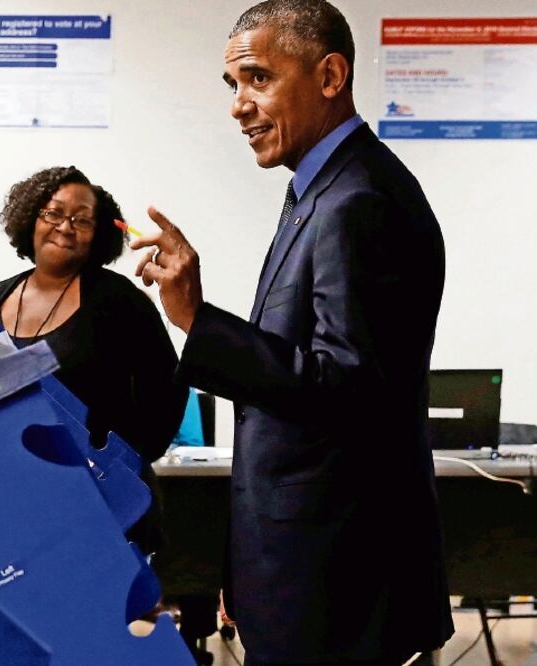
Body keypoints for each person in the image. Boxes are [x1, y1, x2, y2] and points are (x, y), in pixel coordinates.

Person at [131, 1, 454, 663]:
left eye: (257, 79)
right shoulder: (321, 189)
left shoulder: (358, 200)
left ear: (330, 75)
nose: (238, 106)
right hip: (305, 569)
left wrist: (197, 319)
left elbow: (345, 388)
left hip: (339, 581)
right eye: (232, 85)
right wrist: (249, 570)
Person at [0, 165, 188, 558]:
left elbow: (168, 389)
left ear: (100, 234)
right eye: (53, 213)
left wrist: (123, 463)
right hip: (15, 505)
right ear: (30, 218)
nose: (65, 227)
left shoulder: (118, 301)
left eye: (82, 220)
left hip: (102, 507)